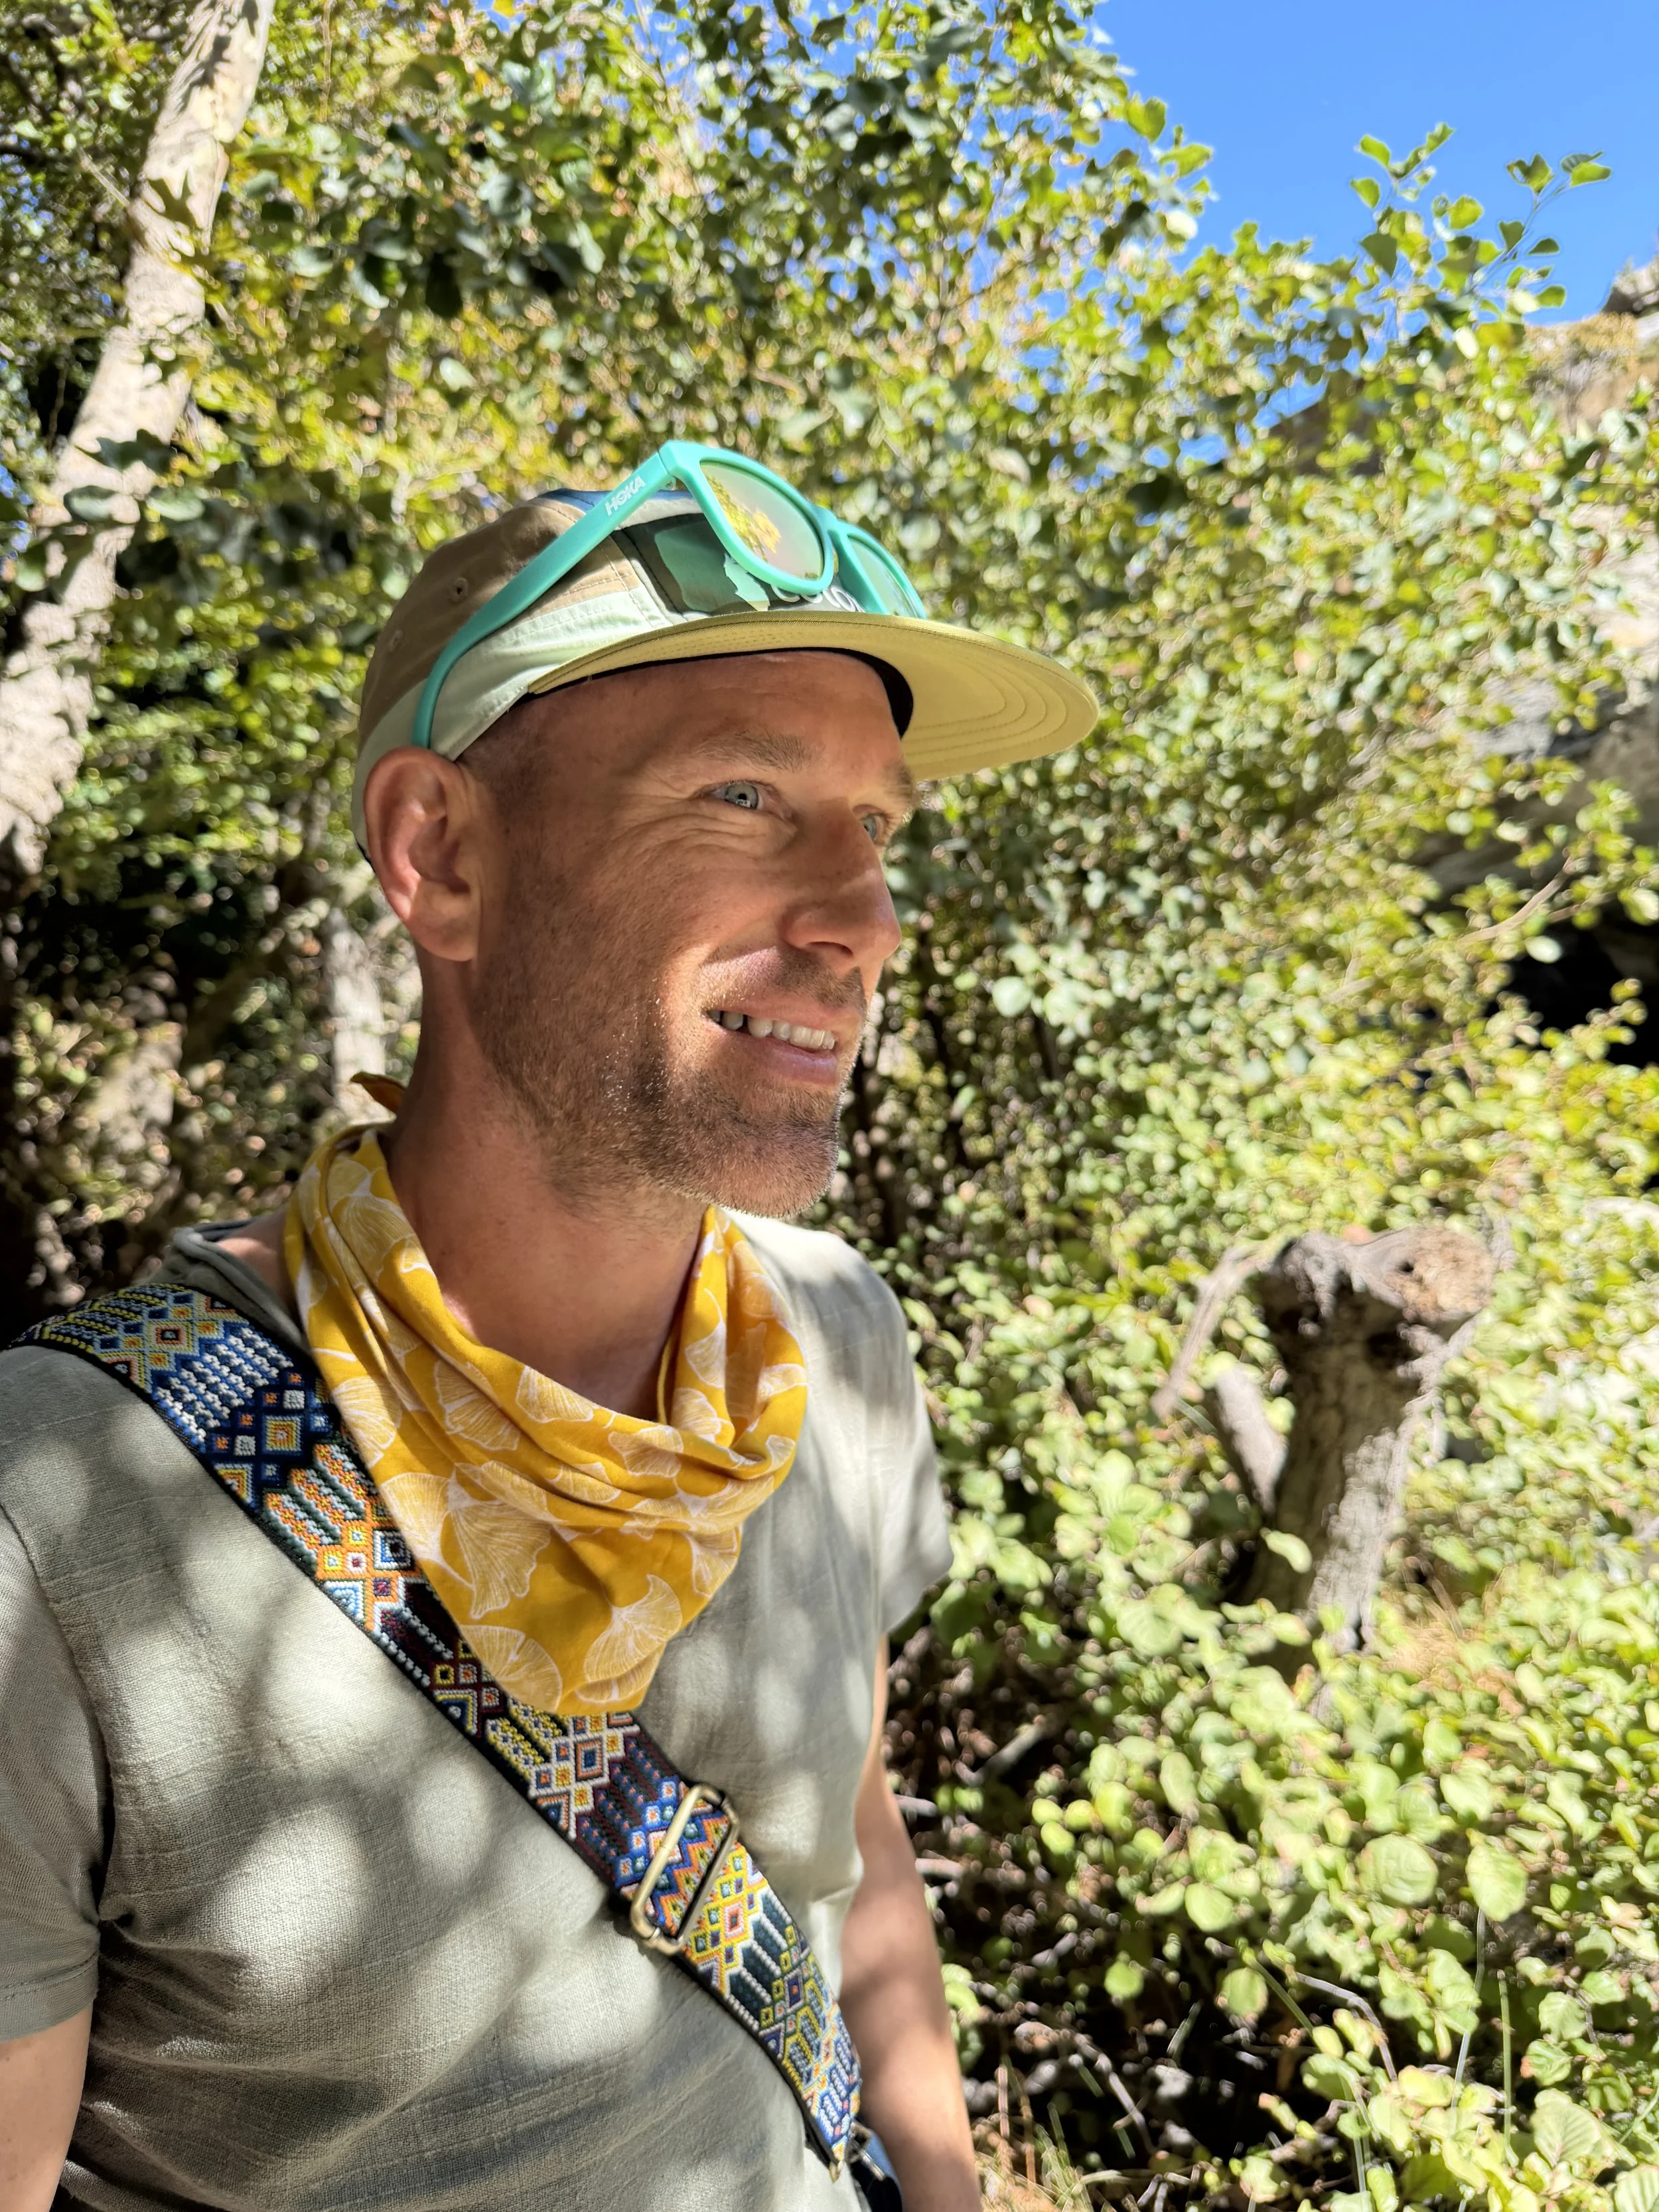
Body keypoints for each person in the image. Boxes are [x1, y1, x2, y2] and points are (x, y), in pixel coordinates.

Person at [0, 452, 1096, 2211]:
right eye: (743, 795)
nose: (865, 923)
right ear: (440, 855)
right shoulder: (56, 1515)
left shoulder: (831, 1341)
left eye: (878, 828)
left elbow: (841, 1838)